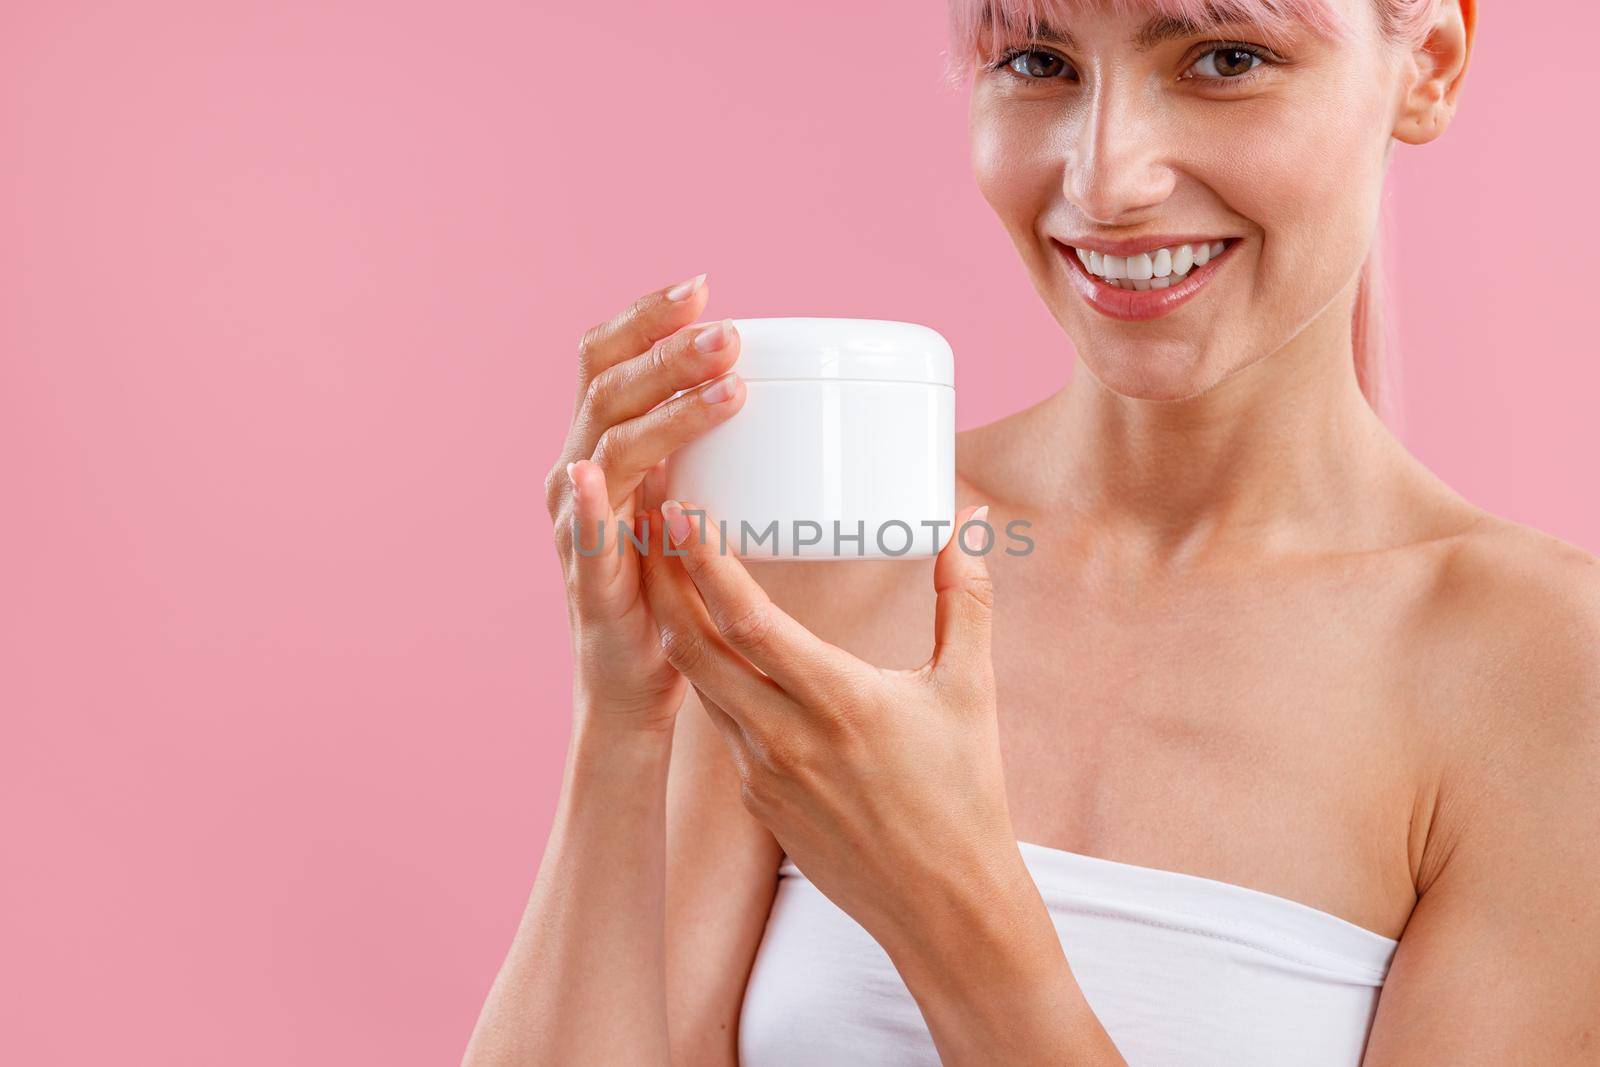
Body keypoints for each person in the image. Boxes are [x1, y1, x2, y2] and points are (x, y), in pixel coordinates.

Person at [464, 0, 1600, 1062]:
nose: (1107, 180)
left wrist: (952, 911)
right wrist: (622, 723)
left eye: (1225, 58)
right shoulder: (848, 543)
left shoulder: (1543, 671)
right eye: (1038, 62)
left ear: (1429, 63)